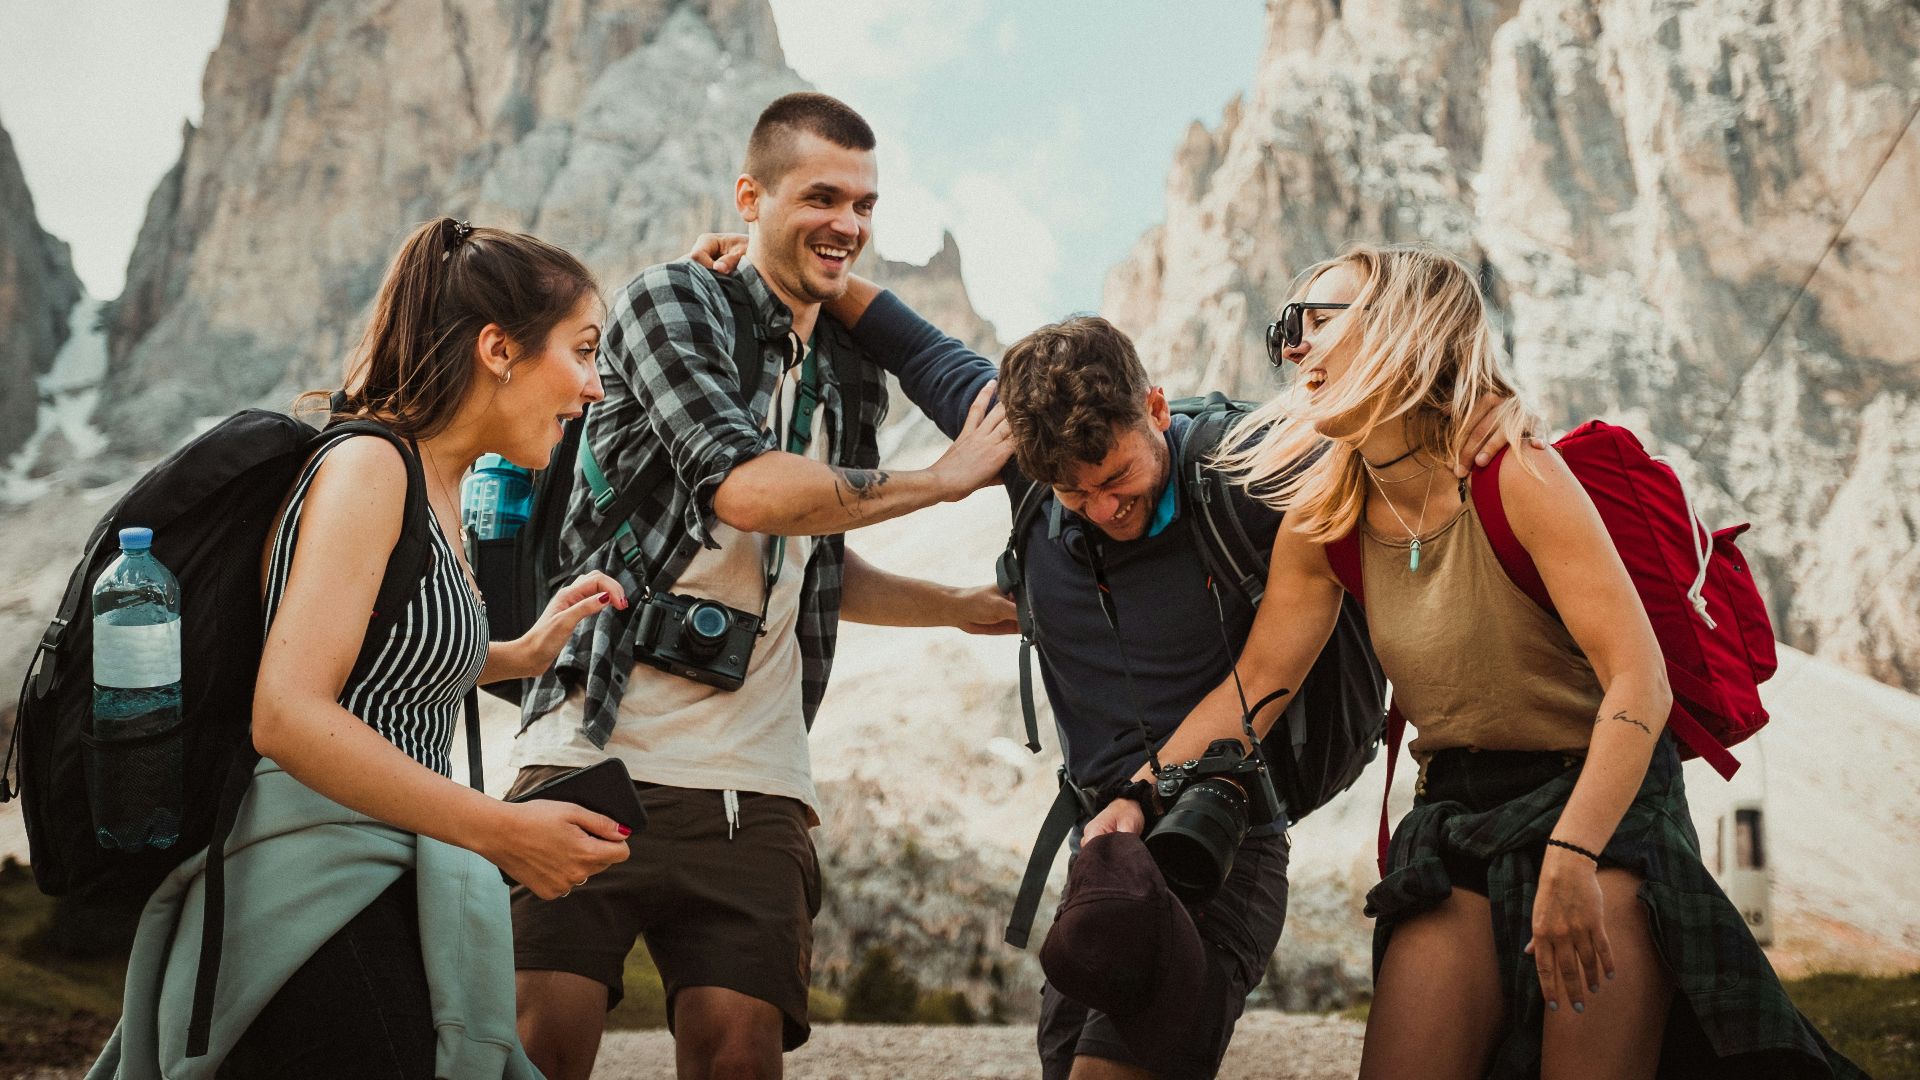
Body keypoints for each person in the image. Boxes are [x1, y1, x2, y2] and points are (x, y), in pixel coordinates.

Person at [690, 229, 1508, 1080]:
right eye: (1071, 493)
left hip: (1218, 837)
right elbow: (911, 343)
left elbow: (1398, 436)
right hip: (1106, 854)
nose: (1101, 508)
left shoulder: (1246, 472)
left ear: (1156, 409)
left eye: (1117, 478)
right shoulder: (1027, 460)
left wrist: (1488, 413)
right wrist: (780, 257)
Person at [1214, 241, 1865, 1079]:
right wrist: (1133, 794)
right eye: (1284, 330)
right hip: (1456, 810)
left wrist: (1576, 852)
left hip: (1602, 800)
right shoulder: (1325, 516)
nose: (1291, 347)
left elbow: (1642, 681)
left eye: (1314, 321)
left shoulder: (1516, 473)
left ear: (1403, 326)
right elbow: (1257, 682)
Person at [506, 92, 1016, 1080]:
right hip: (592, 744)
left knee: (740, 1053)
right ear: (750, 194)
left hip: (758, 779)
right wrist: (940, 483)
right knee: (538, 1045)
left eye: (866, 205)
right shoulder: (669, 301)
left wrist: (956, 609)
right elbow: (745, 491)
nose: (851, 223)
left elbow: (818, 546)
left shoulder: (846, 369)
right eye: (822, 196)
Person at [91, 217, 637, 1079]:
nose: (595, 387)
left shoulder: (436, 485)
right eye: (581, 351)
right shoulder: (371, 467)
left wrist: (522, 652)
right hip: (314, 894)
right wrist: (502, 831)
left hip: (386, 876)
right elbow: (289, 714)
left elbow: (377, 655)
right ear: (499, 348)